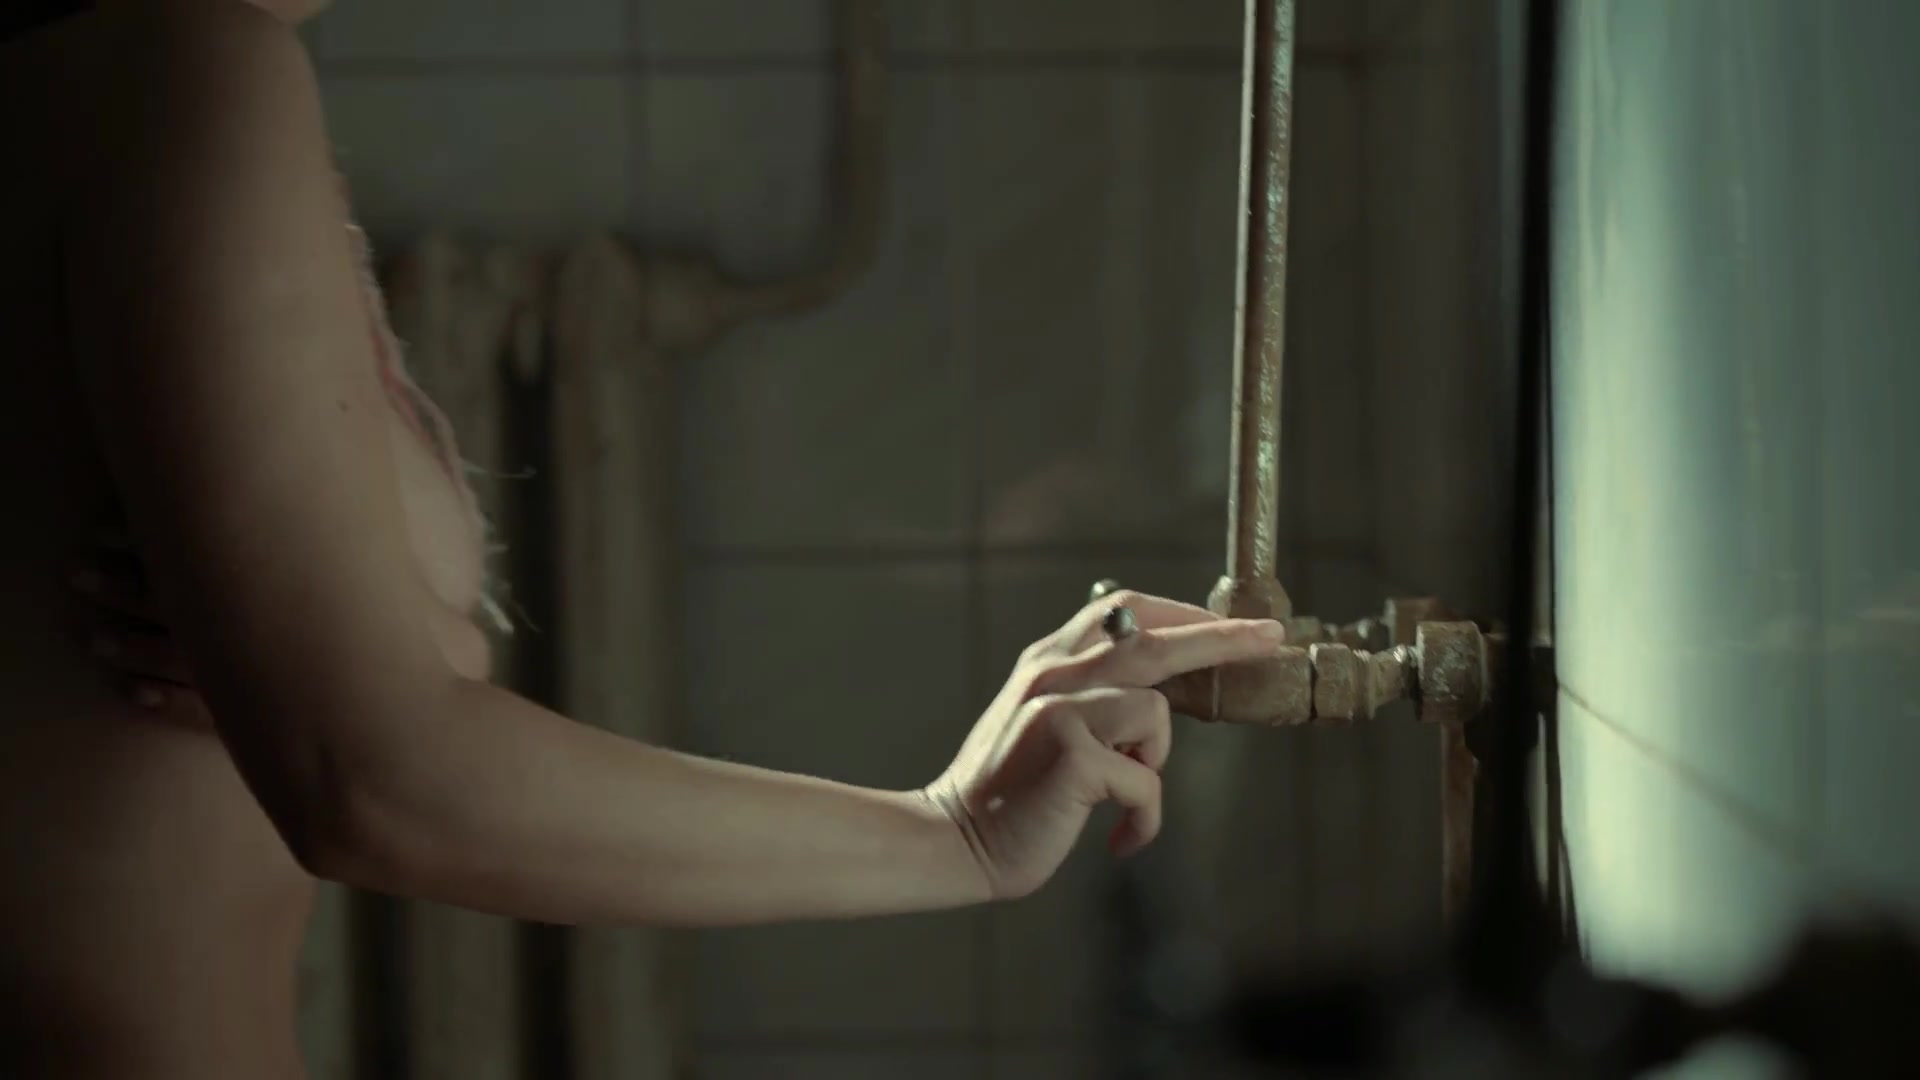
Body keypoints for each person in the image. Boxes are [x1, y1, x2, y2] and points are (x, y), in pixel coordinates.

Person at [0, 0, 1285, 1076]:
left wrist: (351, 650)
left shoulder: (145, 66)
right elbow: (373, 779)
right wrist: (955, 830)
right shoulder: (182, 66)